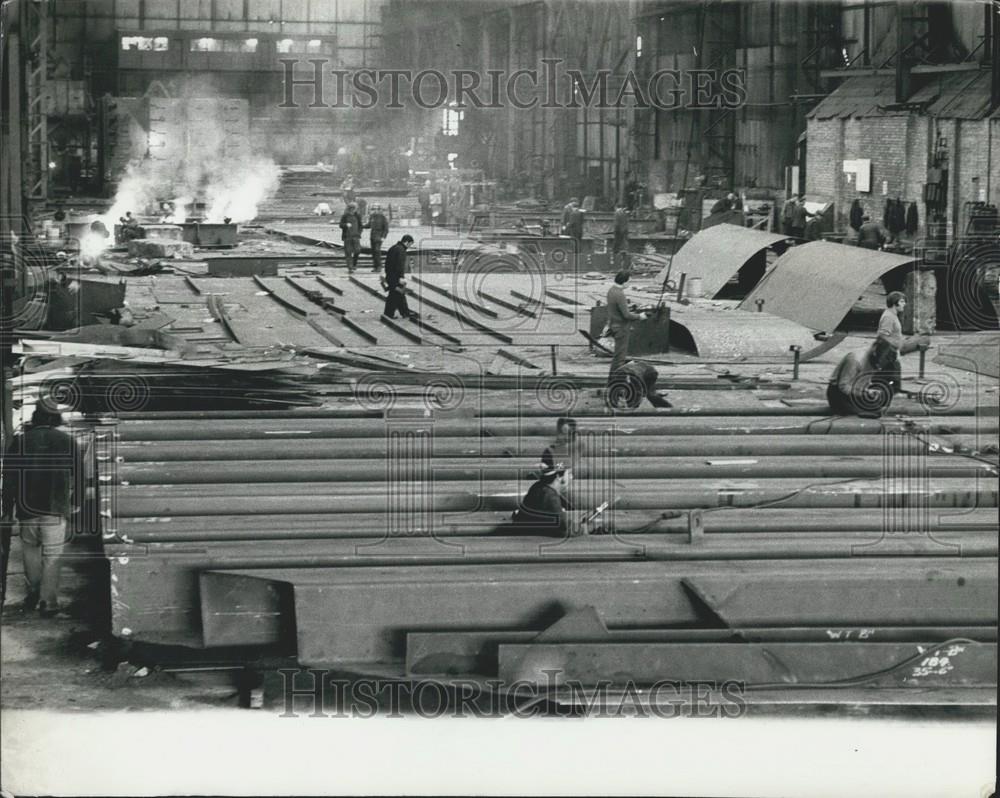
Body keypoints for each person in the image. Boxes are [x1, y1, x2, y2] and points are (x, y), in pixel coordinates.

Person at [1, 406, 82, 615]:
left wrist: (7, 507)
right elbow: (80, 474)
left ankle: (33, 593)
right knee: (52, 555)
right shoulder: (66, 441)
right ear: (56, 419)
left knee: (30, 552)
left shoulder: (20, 442)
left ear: (34, 419)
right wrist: (77, 502)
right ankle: (48, 603)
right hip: (55, 508)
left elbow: (9, 478)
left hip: (26, 508)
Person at [827, 339, 896, 417]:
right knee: (867, 413)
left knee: (877, 409)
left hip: (855, 392)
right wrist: (863, 393)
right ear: (875, 354)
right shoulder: (855, 359)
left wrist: (869, 391)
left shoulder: (875, 359)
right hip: (838, 393)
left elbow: (865, 380)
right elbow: (843, 386)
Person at [509, 463, 575, 538]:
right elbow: (565, 529)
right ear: (558, 477)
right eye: (569, 473)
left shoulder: (538, 486)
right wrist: (584, 527)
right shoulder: (550, 497)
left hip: (525, 535)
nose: (571, 477)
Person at [606, 270, 648, 378]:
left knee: (617, 357)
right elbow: (626, 315)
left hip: (615, 326)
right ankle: (616, 383)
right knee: (620, 358)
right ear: (624, 282)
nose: (629, 284)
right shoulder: (620, 294)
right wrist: (640, 316)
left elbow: (619, 310)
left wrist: (628, 309)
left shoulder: (611, 290)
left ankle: (612, 381)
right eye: (629, 281)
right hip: (621, 328)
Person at [383, 234, 415, 319]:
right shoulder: (401, 250)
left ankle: (405, 312)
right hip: (396, 276)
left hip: (390, 275)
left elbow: (387, 263)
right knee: (395, 295)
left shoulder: (393, 248)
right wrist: (401, 277)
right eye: (410, 244)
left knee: (398, 294)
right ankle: (389, 313)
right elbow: (400, 265)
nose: (409, 246)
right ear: (407, 242)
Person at [339, 202, 362, 272]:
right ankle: (350, 267)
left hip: (356, 237)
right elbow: (340, 225)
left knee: (357, 251)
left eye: (354, 208)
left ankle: (354, 264)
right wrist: (346, 225)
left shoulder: (358, 216)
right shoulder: (345, 216)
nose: (353, 210)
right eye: (351, 208)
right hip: (347, 237)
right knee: (348, 252)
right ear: (349, 209)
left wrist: (359, 233)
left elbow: (360, 226)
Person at [367, 204, 389, 272]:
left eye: (377, 209)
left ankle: (379, 266)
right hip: (372, 236)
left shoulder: (382, 217)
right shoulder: (372, 216)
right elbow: (369, 225)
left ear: (379, 210)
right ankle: (375, 266)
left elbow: (386, 229)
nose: (375, 210)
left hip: (379, 236)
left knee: (377, 251)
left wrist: (383, 237)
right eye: (373, 209)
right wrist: (360, 226)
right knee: (373, 252)